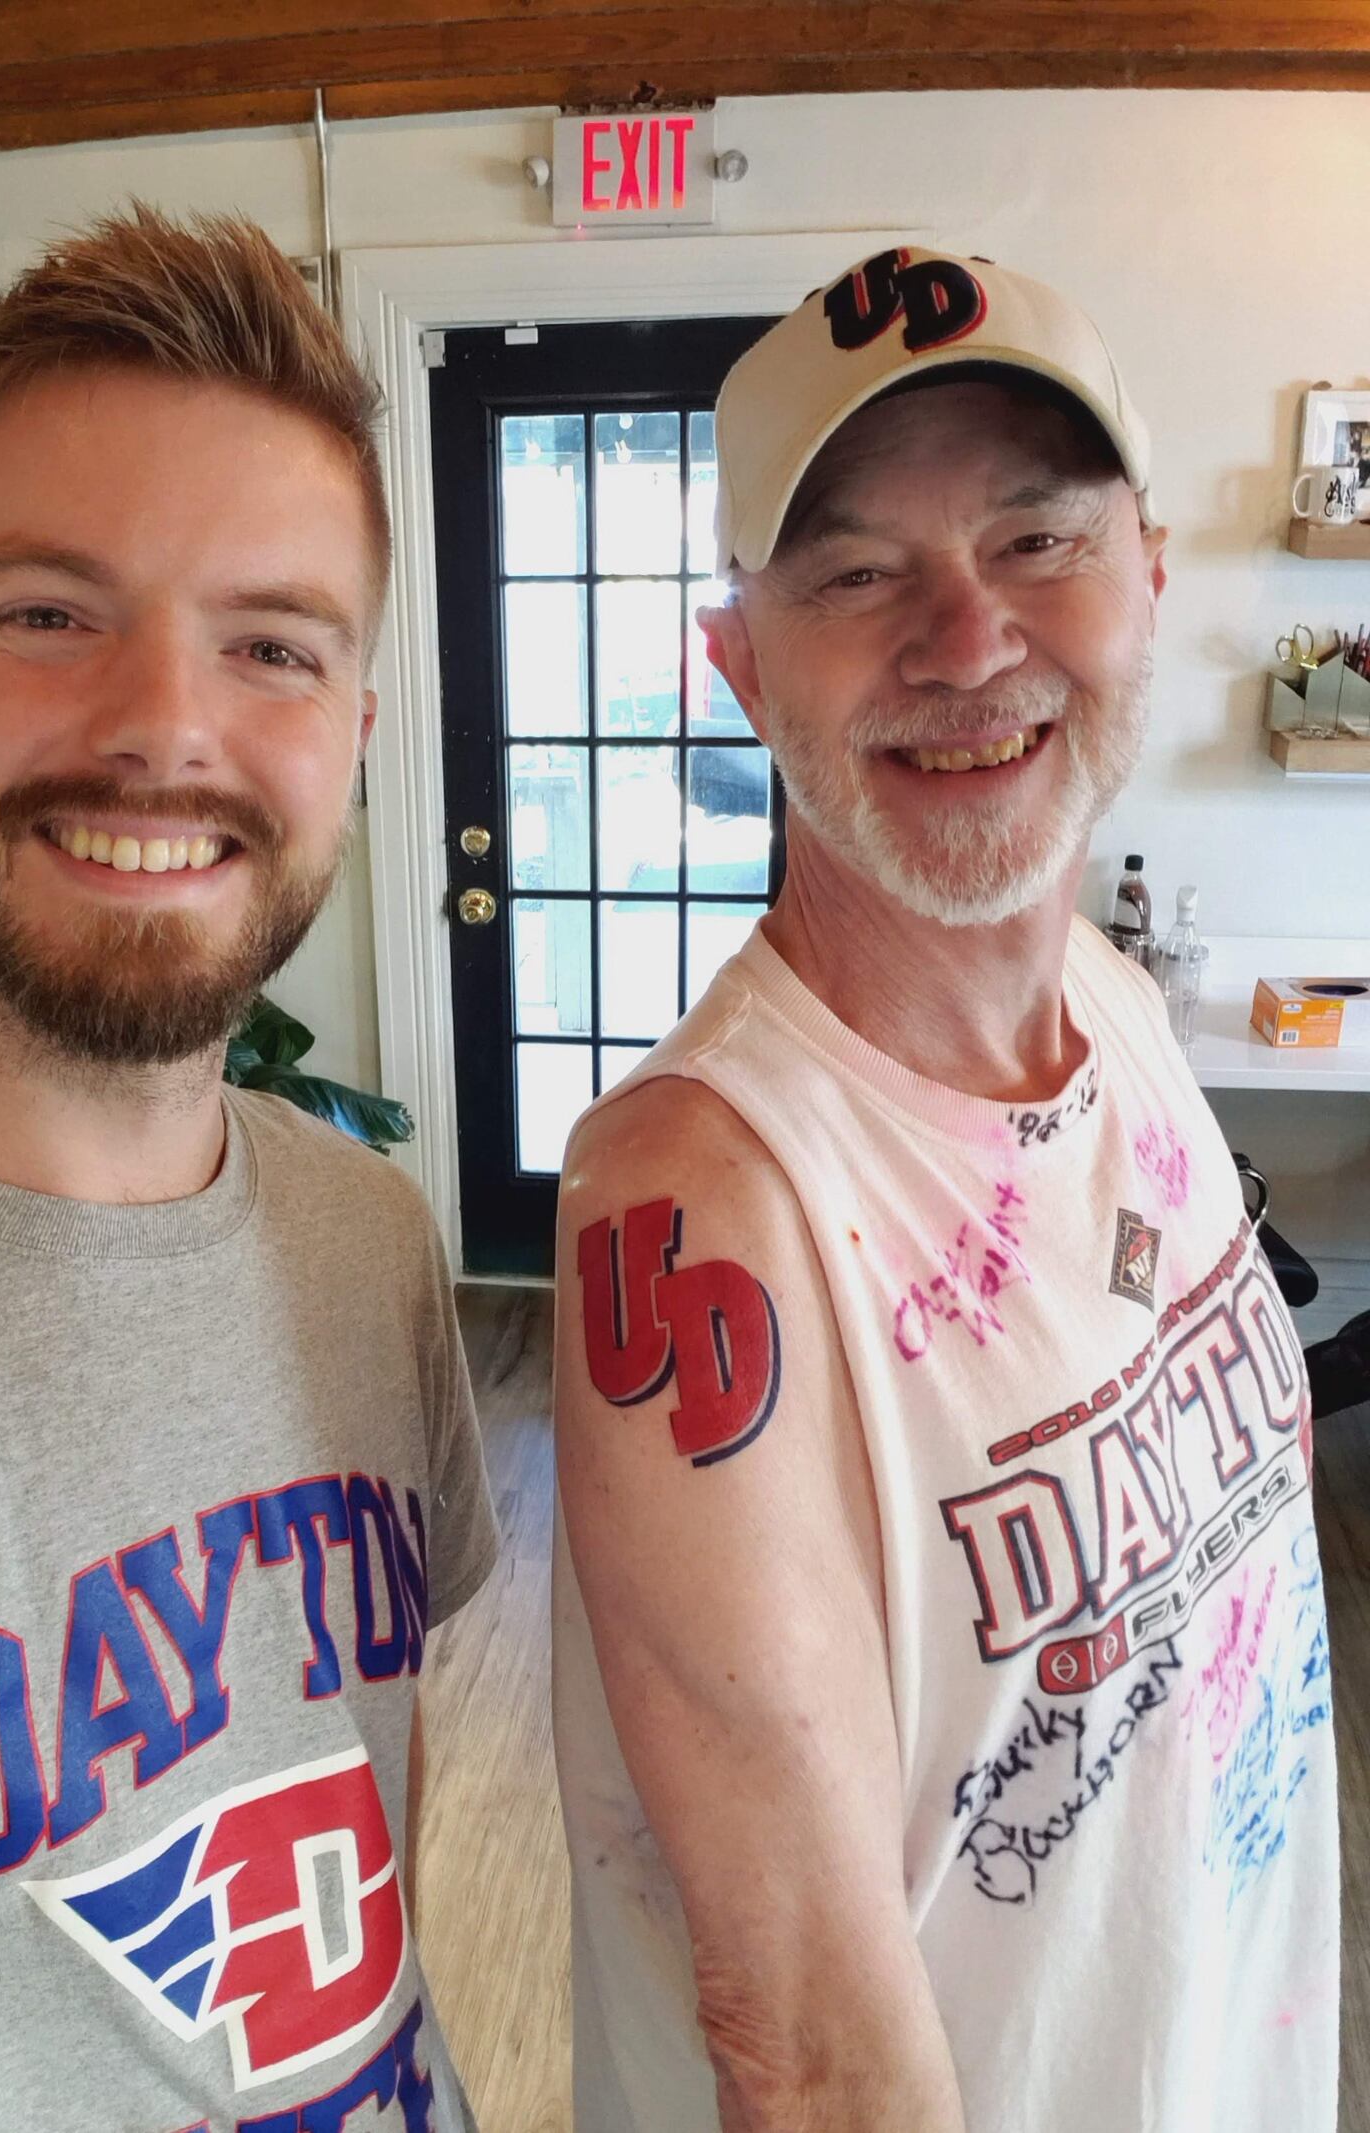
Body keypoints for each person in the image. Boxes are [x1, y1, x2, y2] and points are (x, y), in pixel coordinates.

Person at [552, 247, 1336, 2133]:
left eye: (1035, 541)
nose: (967, 640)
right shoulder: (700, 1206)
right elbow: (811, 2054)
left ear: (1150, 575)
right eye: (854, 573)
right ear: (734, 663)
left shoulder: (1124, 1016)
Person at [0, 207, 498, 2133]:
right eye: (49, 613)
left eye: (270, 643)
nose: (165, 726)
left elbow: (362, 1785)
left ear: (352, 732)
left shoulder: (366, 1235)